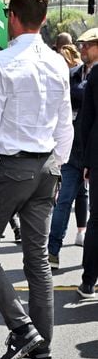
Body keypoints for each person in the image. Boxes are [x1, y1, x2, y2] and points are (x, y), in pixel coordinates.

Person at [0, 0, 73, 359]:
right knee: (37, 260)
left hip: (10, 168)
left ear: (11, 17)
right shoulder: (59, 62)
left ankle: (23, 328)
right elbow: (66, 124)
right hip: (47, 166)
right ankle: (41, 348)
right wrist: (57, 164)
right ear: (44, 19)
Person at [48, 30, 97, 269]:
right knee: (63, 200)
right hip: (72, 148)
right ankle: (52, 252)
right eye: (82, 44)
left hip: (93, 151)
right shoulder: (73, 73)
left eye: (88, 44)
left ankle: (90, 265)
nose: (83, 48)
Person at [77, 33, 98, 299]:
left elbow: (86, 119)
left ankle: (88, 281)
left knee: (97, 220)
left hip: (96, 154)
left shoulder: (95, 74)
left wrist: (85, 160)